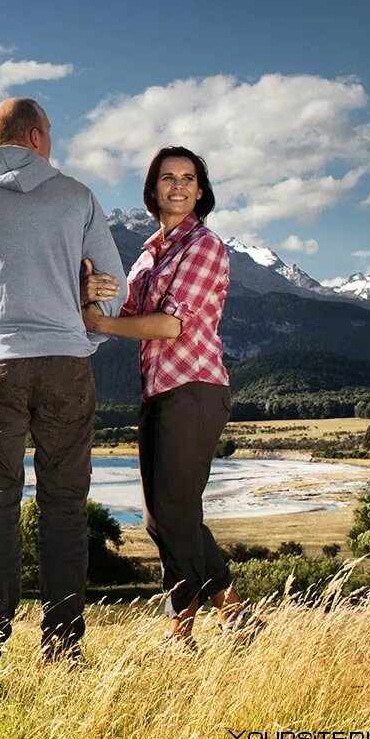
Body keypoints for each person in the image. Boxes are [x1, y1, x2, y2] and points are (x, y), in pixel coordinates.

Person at [0, 98, 126, 662]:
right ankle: (62, 645)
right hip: (66, 362)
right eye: (52, 131)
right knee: (63, 505)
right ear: (36, 136)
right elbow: (116, 288)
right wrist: (89, 338)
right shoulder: (78, 197)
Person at [81, 146, 256, 649]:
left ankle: (182, 629)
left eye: (188, 178)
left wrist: (103, 323)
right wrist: (93, 291)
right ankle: (233, 611)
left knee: (174, 511)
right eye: (167, 178)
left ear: (201, 191)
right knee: (164, 514)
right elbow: (128, 302)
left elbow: (170, 325)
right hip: (159, 393)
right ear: (152, 189)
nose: (177, 186)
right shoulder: (148, 253)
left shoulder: (204, 246)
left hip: (195, 389)